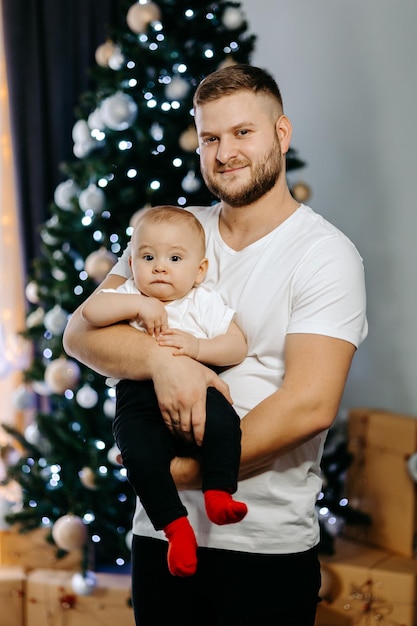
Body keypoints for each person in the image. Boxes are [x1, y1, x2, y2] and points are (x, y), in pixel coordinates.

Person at [63, 64, 367, 625]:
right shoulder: (171, 232)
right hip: (160, 537)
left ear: (280, 134)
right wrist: (162, 361)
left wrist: (178, 474)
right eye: (210, 137)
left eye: (242, 133)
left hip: (263, 549)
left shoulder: (325, 255)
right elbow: (80, 332)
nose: (225, 152)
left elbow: (309, 403)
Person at [80, 205, 248, 577]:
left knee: (225, 425)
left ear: (199, 270)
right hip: (138, 396)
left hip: (199, 388)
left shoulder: (202, 301)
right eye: (148, 256)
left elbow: (237, 345)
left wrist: (198, 349)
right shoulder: (126, 294)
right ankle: (176, 529)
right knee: (137, 452)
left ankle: (219, 493)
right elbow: (89, 314)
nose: (159, 267)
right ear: (132, 262)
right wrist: (138, 303)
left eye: (174, 258)